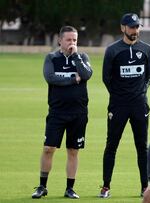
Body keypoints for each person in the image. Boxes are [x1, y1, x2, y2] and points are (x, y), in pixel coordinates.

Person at [31, 25, 93, 199]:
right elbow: (50, 78)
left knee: (73, 150)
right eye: (68, 39)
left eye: (74, 40)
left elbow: (87, 74)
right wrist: (74, 79)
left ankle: (69, 188)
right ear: (60, 40)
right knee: (49, 148)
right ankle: (42, 187)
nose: (72, 42)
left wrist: (75, 57)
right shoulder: (51, 58)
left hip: (79, 113)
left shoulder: (82, 57)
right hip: (57, 112)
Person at [99, 13, 150, 198]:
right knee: (111, 145)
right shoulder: (113, 50)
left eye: (137, 27)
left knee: (142, 147)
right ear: (123, 28)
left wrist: (140, 93)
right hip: (118, 105)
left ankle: (145, 187)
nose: (135, 30)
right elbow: (106, 78)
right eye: (131, 27)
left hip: (139, 105)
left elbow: (149, 77)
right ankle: (106, 186)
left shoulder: (147, 50)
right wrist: (119, 96)